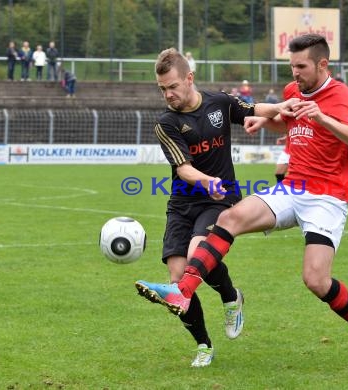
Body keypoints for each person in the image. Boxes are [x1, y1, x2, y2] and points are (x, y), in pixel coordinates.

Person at [135, 34, 348, 365]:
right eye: (291, 66)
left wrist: (321, 117)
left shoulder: (340, 94)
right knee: (229, 218)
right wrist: (265, 120)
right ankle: (183, 290)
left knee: (316, 280)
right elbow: (285, 124)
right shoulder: (292, 91)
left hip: (327, 196)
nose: (295, 73)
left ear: (322, 64)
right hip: (291, 188)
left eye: (301, 66)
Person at [134, 48, 298, 367]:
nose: (168, 94)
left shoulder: (219, 102)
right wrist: (206, 179)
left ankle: (229, 296)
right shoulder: (166, 123)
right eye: (162, 89)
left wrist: (280, 106)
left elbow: (251, 108)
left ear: (189, 78)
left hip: (220, 200)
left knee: (199, 255)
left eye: (173, 86)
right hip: (182, 204)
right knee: (177, 277)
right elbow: (183, 168)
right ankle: (204, 344)